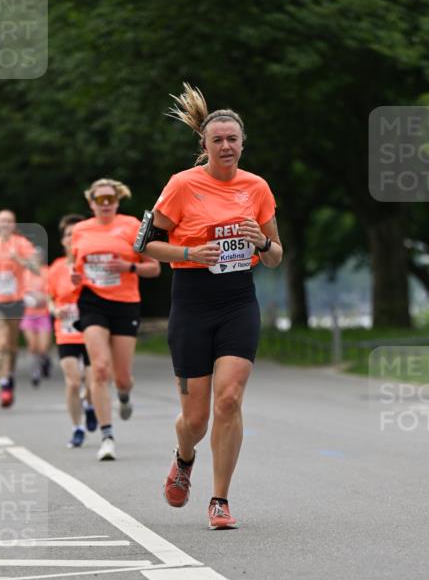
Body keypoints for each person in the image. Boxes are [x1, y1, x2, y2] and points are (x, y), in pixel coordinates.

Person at [142, 84, 282, 529]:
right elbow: (147, 245)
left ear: (243, 143)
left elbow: (276, 253)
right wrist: (189, 254)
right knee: (195, 418)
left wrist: (261, 241)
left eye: (232, 139)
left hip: (239, 301)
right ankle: (184, 459)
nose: (226, 146)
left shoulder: (256, 188)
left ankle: (219, 499)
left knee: (230, 398)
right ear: (203, 145)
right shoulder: (182, 186)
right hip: (192, 304)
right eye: (217, 139)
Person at [71, 178, 160, 461]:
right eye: (100, 200)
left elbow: (154, 269)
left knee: (122, 378)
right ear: (91, 203)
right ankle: (107, 436)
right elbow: (76, 267)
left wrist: (128, 266)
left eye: (111, 199)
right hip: (91, 302)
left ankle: (123, 395)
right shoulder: (80, 230)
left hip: (124, 303)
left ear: (118, 201)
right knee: (99, 369)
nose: (106, 204)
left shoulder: (132, 225)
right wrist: (74, 279)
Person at [0, 209, 40, 408]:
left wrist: (19, 259)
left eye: (9, 221)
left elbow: (36, 268)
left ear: (13, 225)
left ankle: (9, 375)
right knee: (1, 342)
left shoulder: (21, 243)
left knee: (12, 345)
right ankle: (4, 383)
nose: (5, 224)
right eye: (1, 221)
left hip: (15, 299)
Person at [48, 214, 97, 448]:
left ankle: (89, 404)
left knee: (91, 380)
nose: (73, 238)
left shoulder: (91, 264)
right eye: (69, 235)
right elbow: (49, 298)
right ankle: (77, 428)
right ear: (63, 241)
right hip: (66, 331)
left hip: (89, 329)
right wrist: (53, 310)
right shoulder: (56, 268)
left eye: (77, 234)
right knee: (73, 382)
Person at [20, 248, 52, 386]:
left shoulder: (47, 272)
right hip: (29, 314)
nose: (34, 259)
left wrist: (43, 298)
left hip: (43, 314)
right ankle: (36, 371)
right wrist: (27, 298)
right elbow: (20, 292)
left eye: (36, 257)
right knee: (33, 346)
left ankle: (45, 360)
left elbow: (53, 291)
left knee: (43, 347)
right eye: (31, 257)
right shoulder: (25, 274)